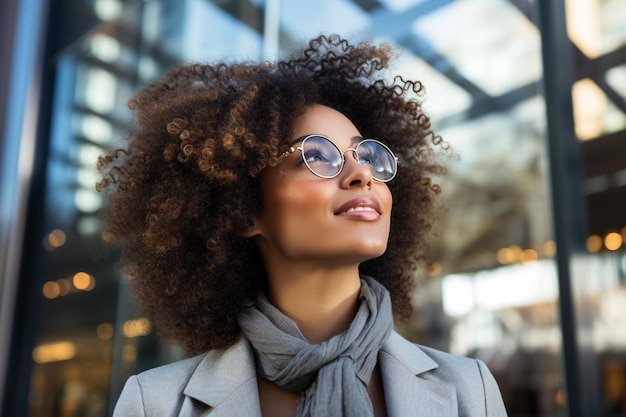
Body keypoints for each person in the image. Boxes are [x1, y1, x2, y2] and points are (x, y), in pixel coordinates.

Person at [97, 34, 507, 417]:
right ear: (243, 210)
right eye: (318, 156)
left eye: (367, 156)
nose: (361, 174)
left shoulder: (471, 390)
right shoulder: (155, 404)